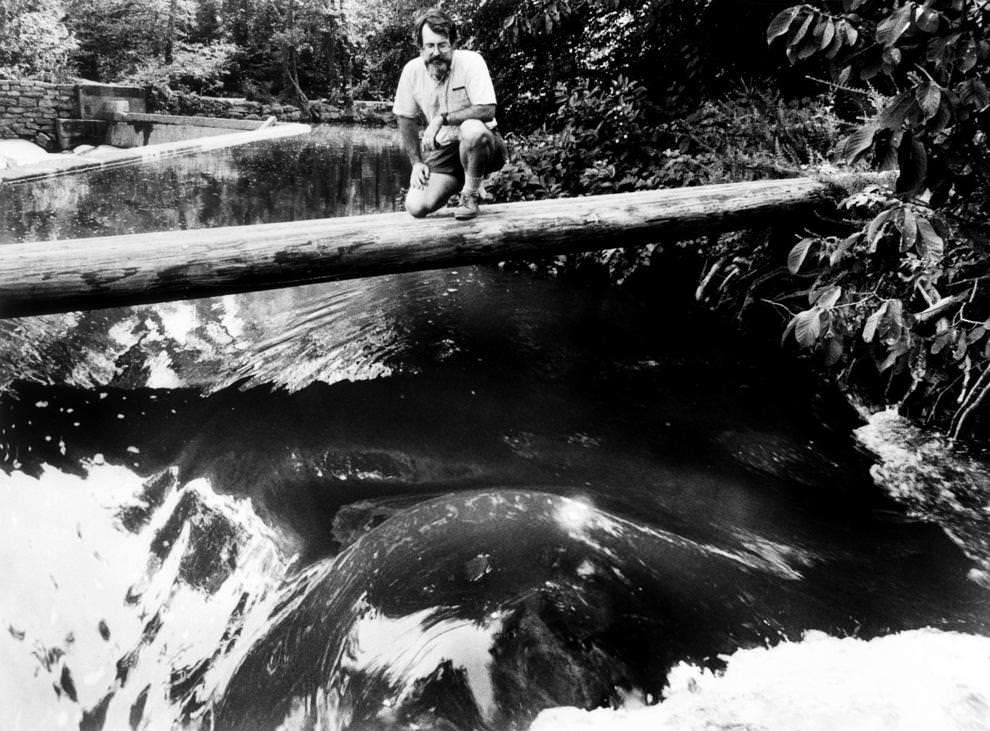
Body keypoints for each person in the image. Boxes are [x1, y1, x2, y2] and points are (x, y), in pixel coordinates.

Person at [392, 8, 507, 220]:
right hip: (445, 151)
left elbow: (487, 109)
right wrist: (417, 162)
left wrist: (441, 119)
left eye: (442, 45)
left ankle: (470, 195)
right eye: (429, 46)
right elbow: (405, 116)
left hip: (484, 147)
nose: (436, 52)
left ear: (453, 44)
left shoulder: (472, 62)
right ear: (420, 48)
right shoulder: (412, 71)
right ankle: (462, 181)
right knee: (416, 206)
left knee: (472, 130)